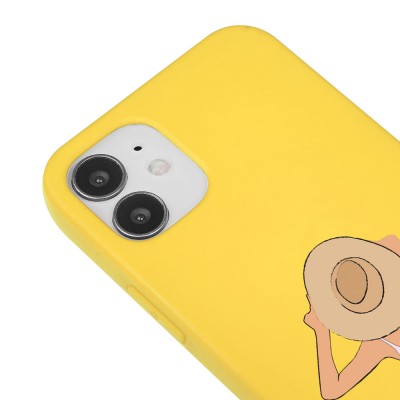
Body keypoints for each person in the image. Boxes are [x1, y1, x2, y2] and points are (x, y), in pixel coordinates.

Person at [304, 235, 400, 400]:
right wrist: (321, 331)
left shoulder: (392, 247)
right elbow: (331, 391)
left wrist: (321, 329)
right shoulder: (378, 343)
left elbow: (331, 391)